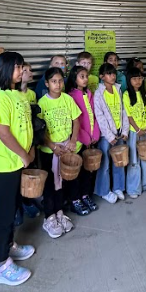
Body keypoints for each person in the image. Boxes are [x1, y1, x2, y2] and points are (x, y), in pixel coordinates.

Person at [0, 52, 35, 286]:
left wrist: (30, 150)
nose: (21, 70)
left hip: (18, 161)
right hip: (6, 163)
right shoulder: (0, 97)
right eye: (17, 67)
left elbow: (24, 126)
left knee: (13, 208)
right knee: (4, 215)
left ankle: (8, 246)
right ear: (6, 69)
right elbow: (3, 133)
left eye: (22, 66)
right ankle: (0, 265)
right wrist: (24, 154)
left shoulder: (19, 95)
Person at [38, 67, 82, 229]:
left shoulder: (67, 99)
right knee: (50, 183)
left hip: (66, 148)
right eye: (54, 81)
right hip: (50, 151)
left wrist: (73, 140)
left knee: (62, 182)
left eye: (60, 81)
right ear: (47, 83)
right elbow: (40, 129)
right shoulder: (42, 103)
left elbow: (76, 120)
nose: (57, 84)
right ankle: (49, 217)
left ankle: (60, 213)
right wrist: (52, 146)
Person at [66, 65, 99, 212]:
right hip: (79, 142)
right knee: (76, 172)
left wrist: (95, 135)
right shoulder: (71, 96)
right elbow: (76, 121)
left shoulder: (88, 93)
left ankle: (85, 195)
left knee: (88, 171)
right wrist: (86, 138)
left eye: (86, 76)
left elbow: (94, 115)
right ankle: (75, 199)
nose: (85, 79)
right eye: (82, 76)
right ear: (74, 78)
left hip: (91, 139)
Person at [94, 62, 129, 203]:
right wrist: (109, 135)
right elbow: (100, 115)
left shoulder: (118, 89)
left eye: (114, 73)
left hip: (119, 132)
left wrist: (125, 130)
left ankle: (118, 187)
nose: (112, 76)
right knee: (105, 163)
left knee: (118, 161)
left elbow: (123, 111)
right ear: (102, 77)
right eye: (109, 73)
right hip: (106, 136)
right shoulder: (98, 93)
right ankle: (103, 191)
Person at [123, 67, 146, 198]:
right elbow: (128, 116)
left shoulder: (144, 95)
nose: (138, 81)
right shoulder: (126, 95)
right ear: (129, 80)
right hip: (134, 132)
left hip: (144, 131)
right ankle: (133, 189)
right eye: (134, 78)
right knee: (134, 159)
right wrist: (137, 129)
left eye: (140, 78)